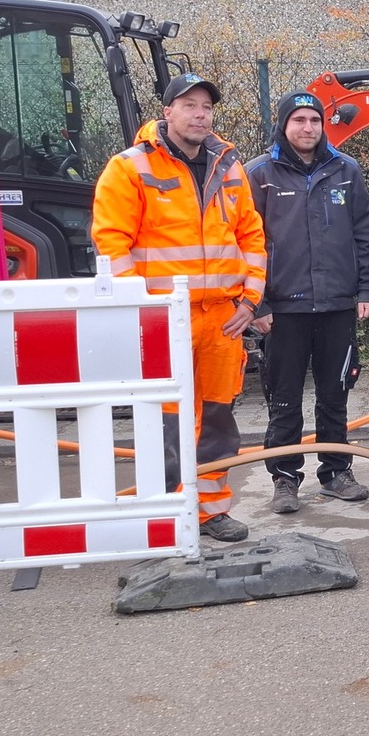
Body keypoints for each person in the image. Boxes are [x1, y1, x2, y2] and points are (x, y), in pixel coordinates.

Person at [92, 73, 267, 543]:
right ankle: (166, 514)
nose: (199, 114)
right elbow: (111, 243)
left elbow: (250, 235)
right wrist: (143, 309)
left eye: (206, 106)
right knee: (165, 420)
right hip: (164, 318)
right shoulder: (129, 168)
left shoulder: (228, 166)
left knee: (216, 419)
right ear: (166, 112)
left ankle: (210, 511)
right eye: (189, 105)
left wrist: (250, 300)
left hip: (222, 321)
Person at [246, 90, 369, 515]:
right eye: (299, 120)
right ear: (284, 125)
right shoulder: (259, 175)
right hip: (283, 310)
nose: (307, 128)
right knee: (283, 398)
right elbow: (245, 244)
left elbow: (364, 234)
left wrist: (366, 290)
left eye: (315, 120)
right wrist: (257, 303)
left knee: (335, 393)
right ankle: (284, 479)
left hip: (338, 304)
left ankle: (337, 472)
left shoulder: (346, 170)